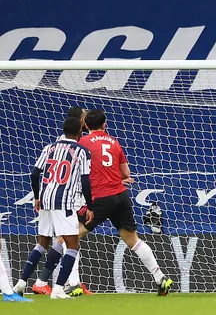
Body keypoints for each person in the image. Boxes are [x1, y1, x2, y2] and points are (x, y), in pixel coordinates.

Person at [77, 109, 173, 296]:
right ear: (105, 124)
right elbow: (125, 174)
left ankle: (69, 284)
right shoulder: (114, 143)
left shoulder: (82, 143)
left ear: (85, 125)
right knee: (133, 240)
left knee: (70, 237)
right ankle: (160, 277)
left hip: (99, 198)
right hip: (120, 196)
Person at [14, 117, 94, 299]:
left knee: (42, 243)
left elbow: (35, 173)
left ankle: (21, 283)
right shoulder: (81, 151)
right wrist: (90, 205)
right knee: (73, 245)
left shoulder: (49, 147)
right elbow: (85, 180)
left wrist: (36, 196)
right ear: (80, 133)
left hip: (45, 199)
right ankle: (58, 289)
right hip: (64, 202)